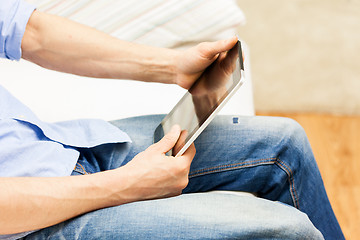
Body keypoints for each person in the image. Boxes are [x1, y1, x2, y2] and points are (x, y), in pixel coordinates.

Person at [0, 0, 344, 239]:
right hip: (32, 224)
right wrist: (125, 186)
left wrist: (172, 67)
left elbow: (30, 33)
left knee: (286, 144)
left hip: (56, 150)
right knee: (287, 231)